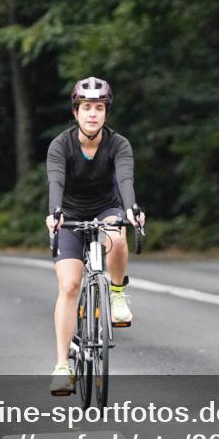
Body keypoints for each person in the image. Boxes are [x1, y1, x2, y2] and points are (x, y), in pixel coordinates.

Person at [45, 76, 144, 394]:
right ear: (75, 113)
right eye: (86, 107)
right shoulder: (61, 145)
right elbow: (56, 182)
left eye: (98, 108)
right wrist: (55, 212)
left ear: (106, 113)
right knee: (70, 285)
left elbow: (125, 179)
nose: (92, 114)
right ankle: (62, 365)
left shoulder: (119, 144)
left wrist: (131, 209)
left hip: (106, 209)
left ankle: (116, 293)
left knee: (115, 234)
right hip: (70, 215)